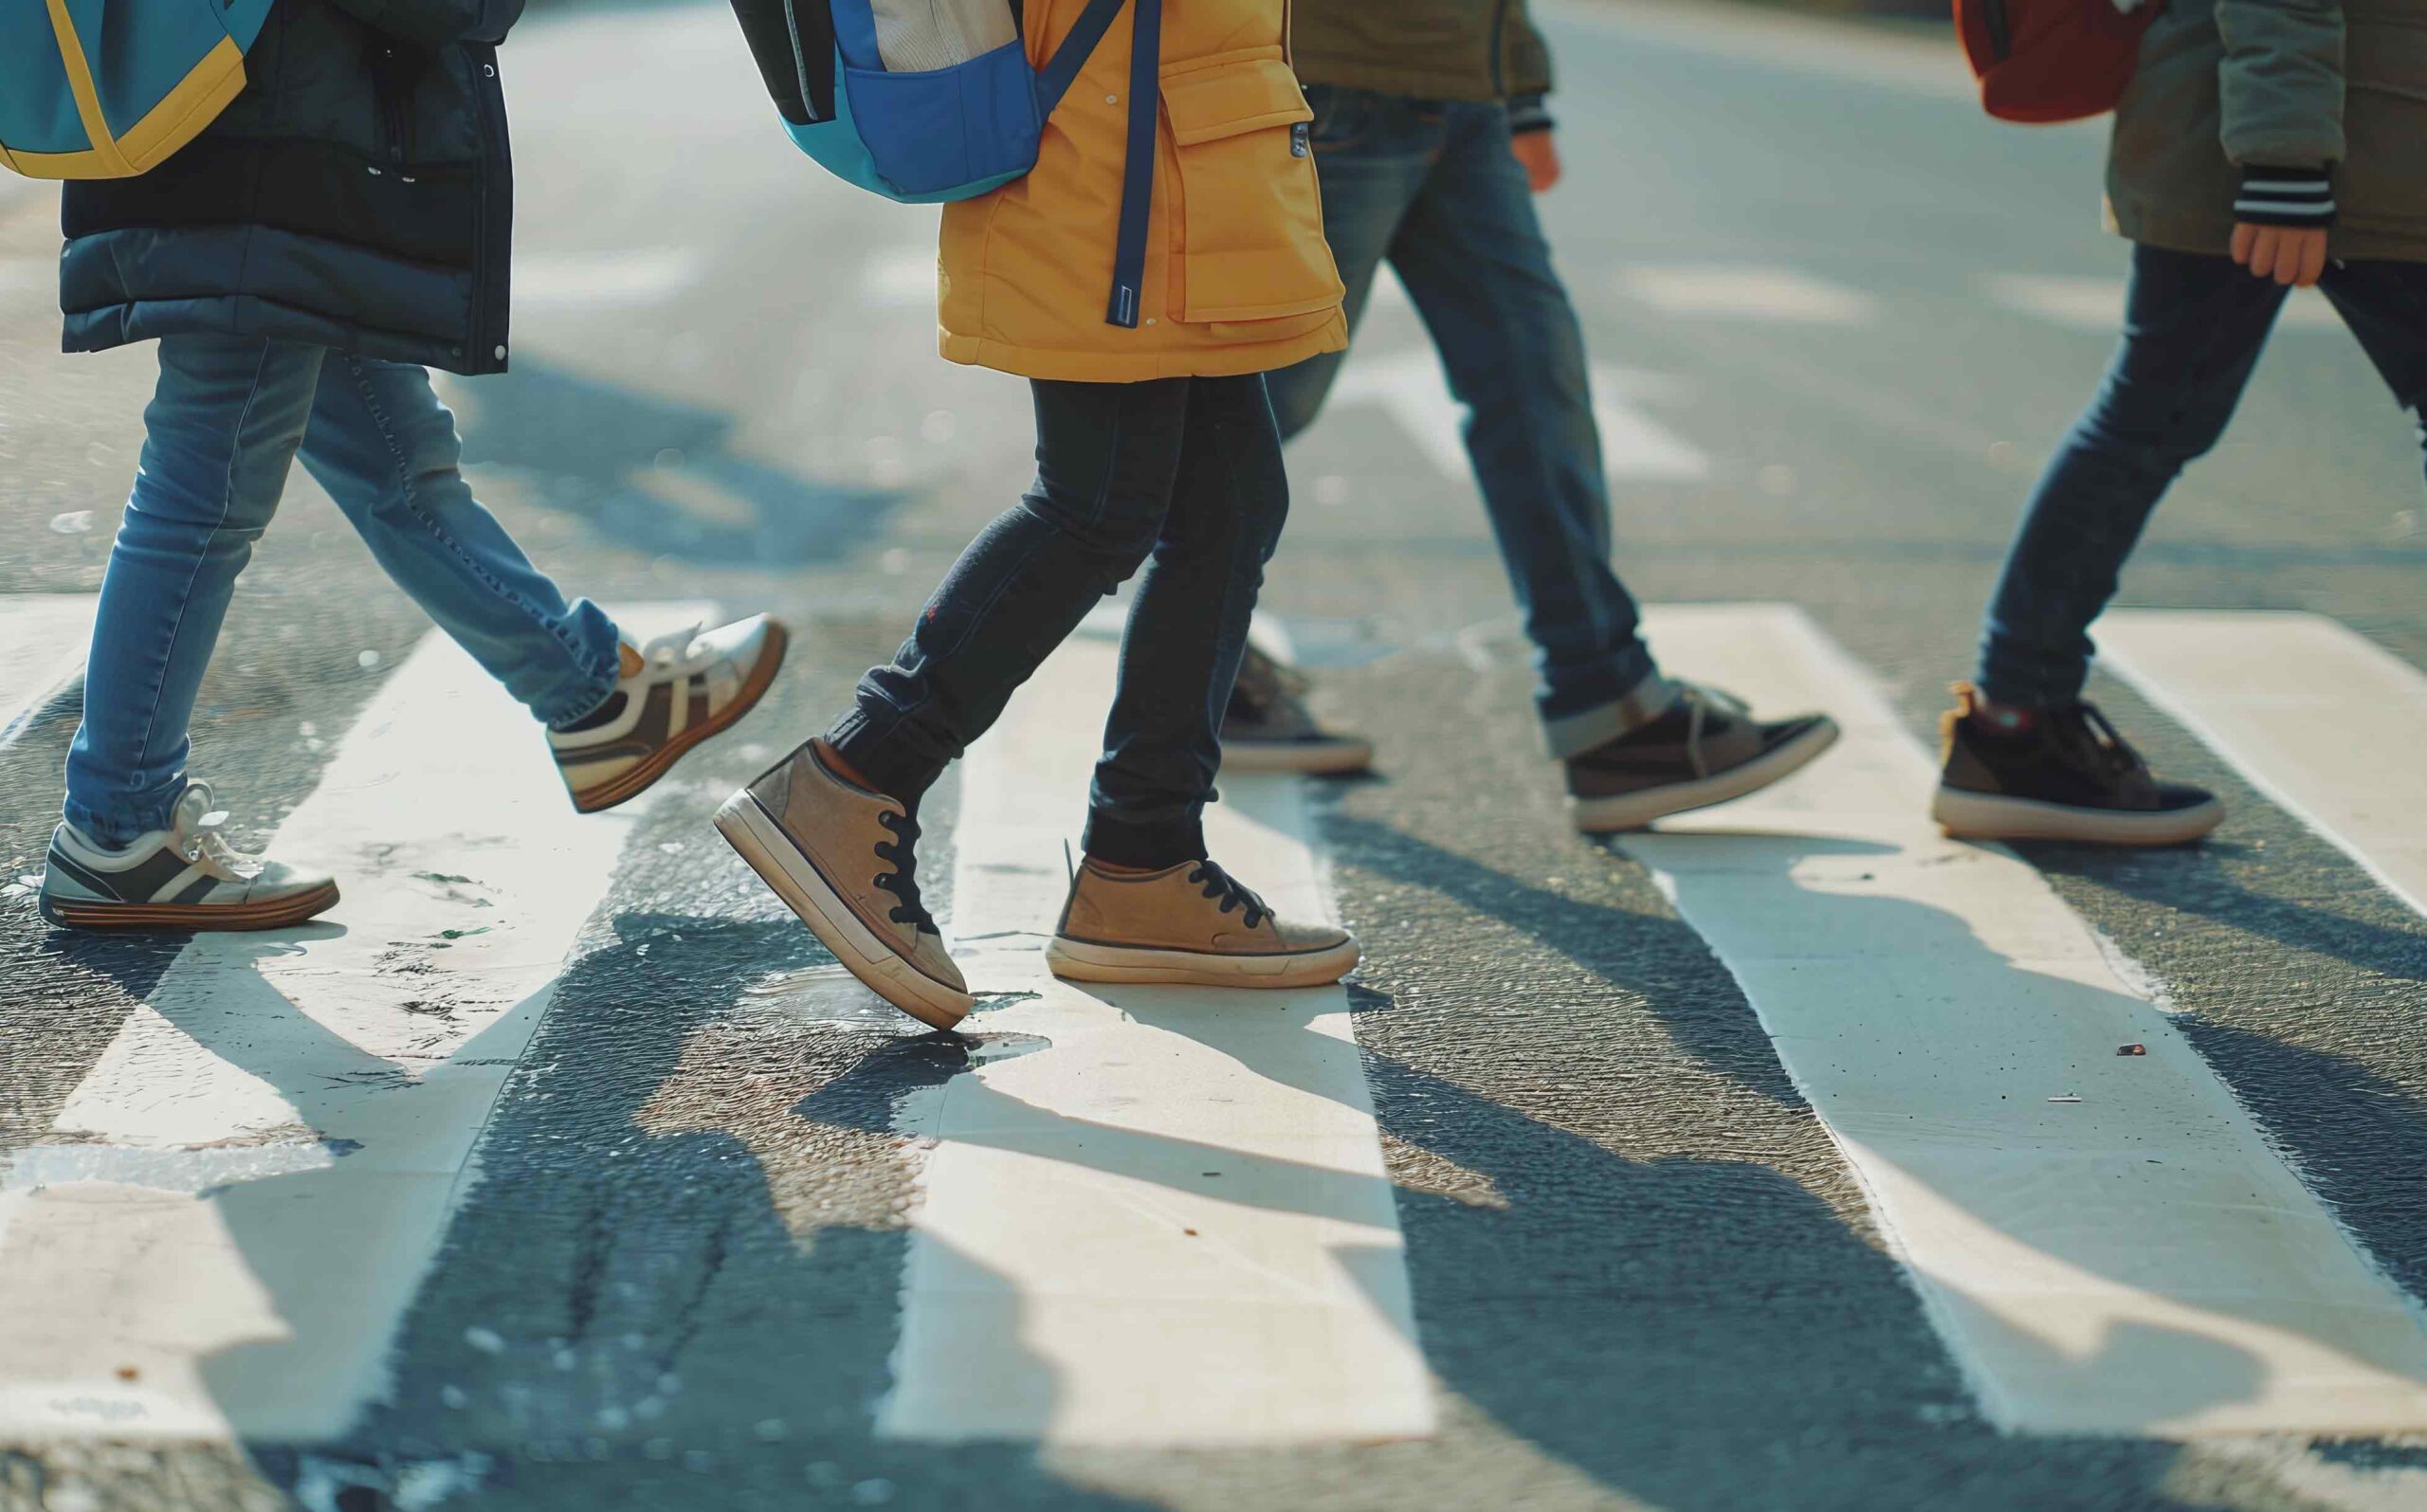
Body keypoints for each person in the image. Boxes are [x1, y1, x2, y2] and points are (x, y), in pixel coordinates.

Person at [39, 0, 784, 932]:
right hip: (263, 161)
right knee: (203, 494)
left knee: (401, 467)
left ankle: (594, 701)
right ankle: (116, 828)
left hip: (262, 145)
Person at [716, 0, 1359, 1031]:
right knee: (1099, 502)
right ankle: (859, 773)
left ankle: (1141, 862)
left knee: (1229, 500)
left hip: (1175, 147)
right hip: (1116, 156)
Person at [1210, 0, 1839, 833]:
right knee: (1261, 408)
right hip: (1331, 83)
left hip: (1466, 95)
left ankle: (1609, 706)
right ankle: (1197, 673)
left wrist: (1521, 88)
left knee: (1536, 385)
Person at [1935, 0, 2418, 844]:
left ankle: (2014, 723)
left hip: (2280, 128)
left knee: (2145, 422)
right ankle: (2014, 725)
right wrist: (2284, 158)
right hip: (2304, 139)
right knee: (2144, 423)